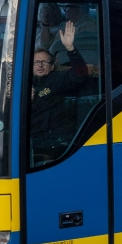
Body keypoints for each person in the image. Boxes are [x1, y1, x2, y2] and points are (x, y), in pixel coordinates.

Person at [30, 21, 88, 152]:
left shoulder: (58, 78)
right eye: (36, 62)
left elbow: (80, 74)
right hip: (30, 141)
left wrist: (70, 48)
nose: (40, 65)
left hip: (54, 142)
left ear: (52, 66)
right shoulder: (23, 85)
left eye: (45, 62)